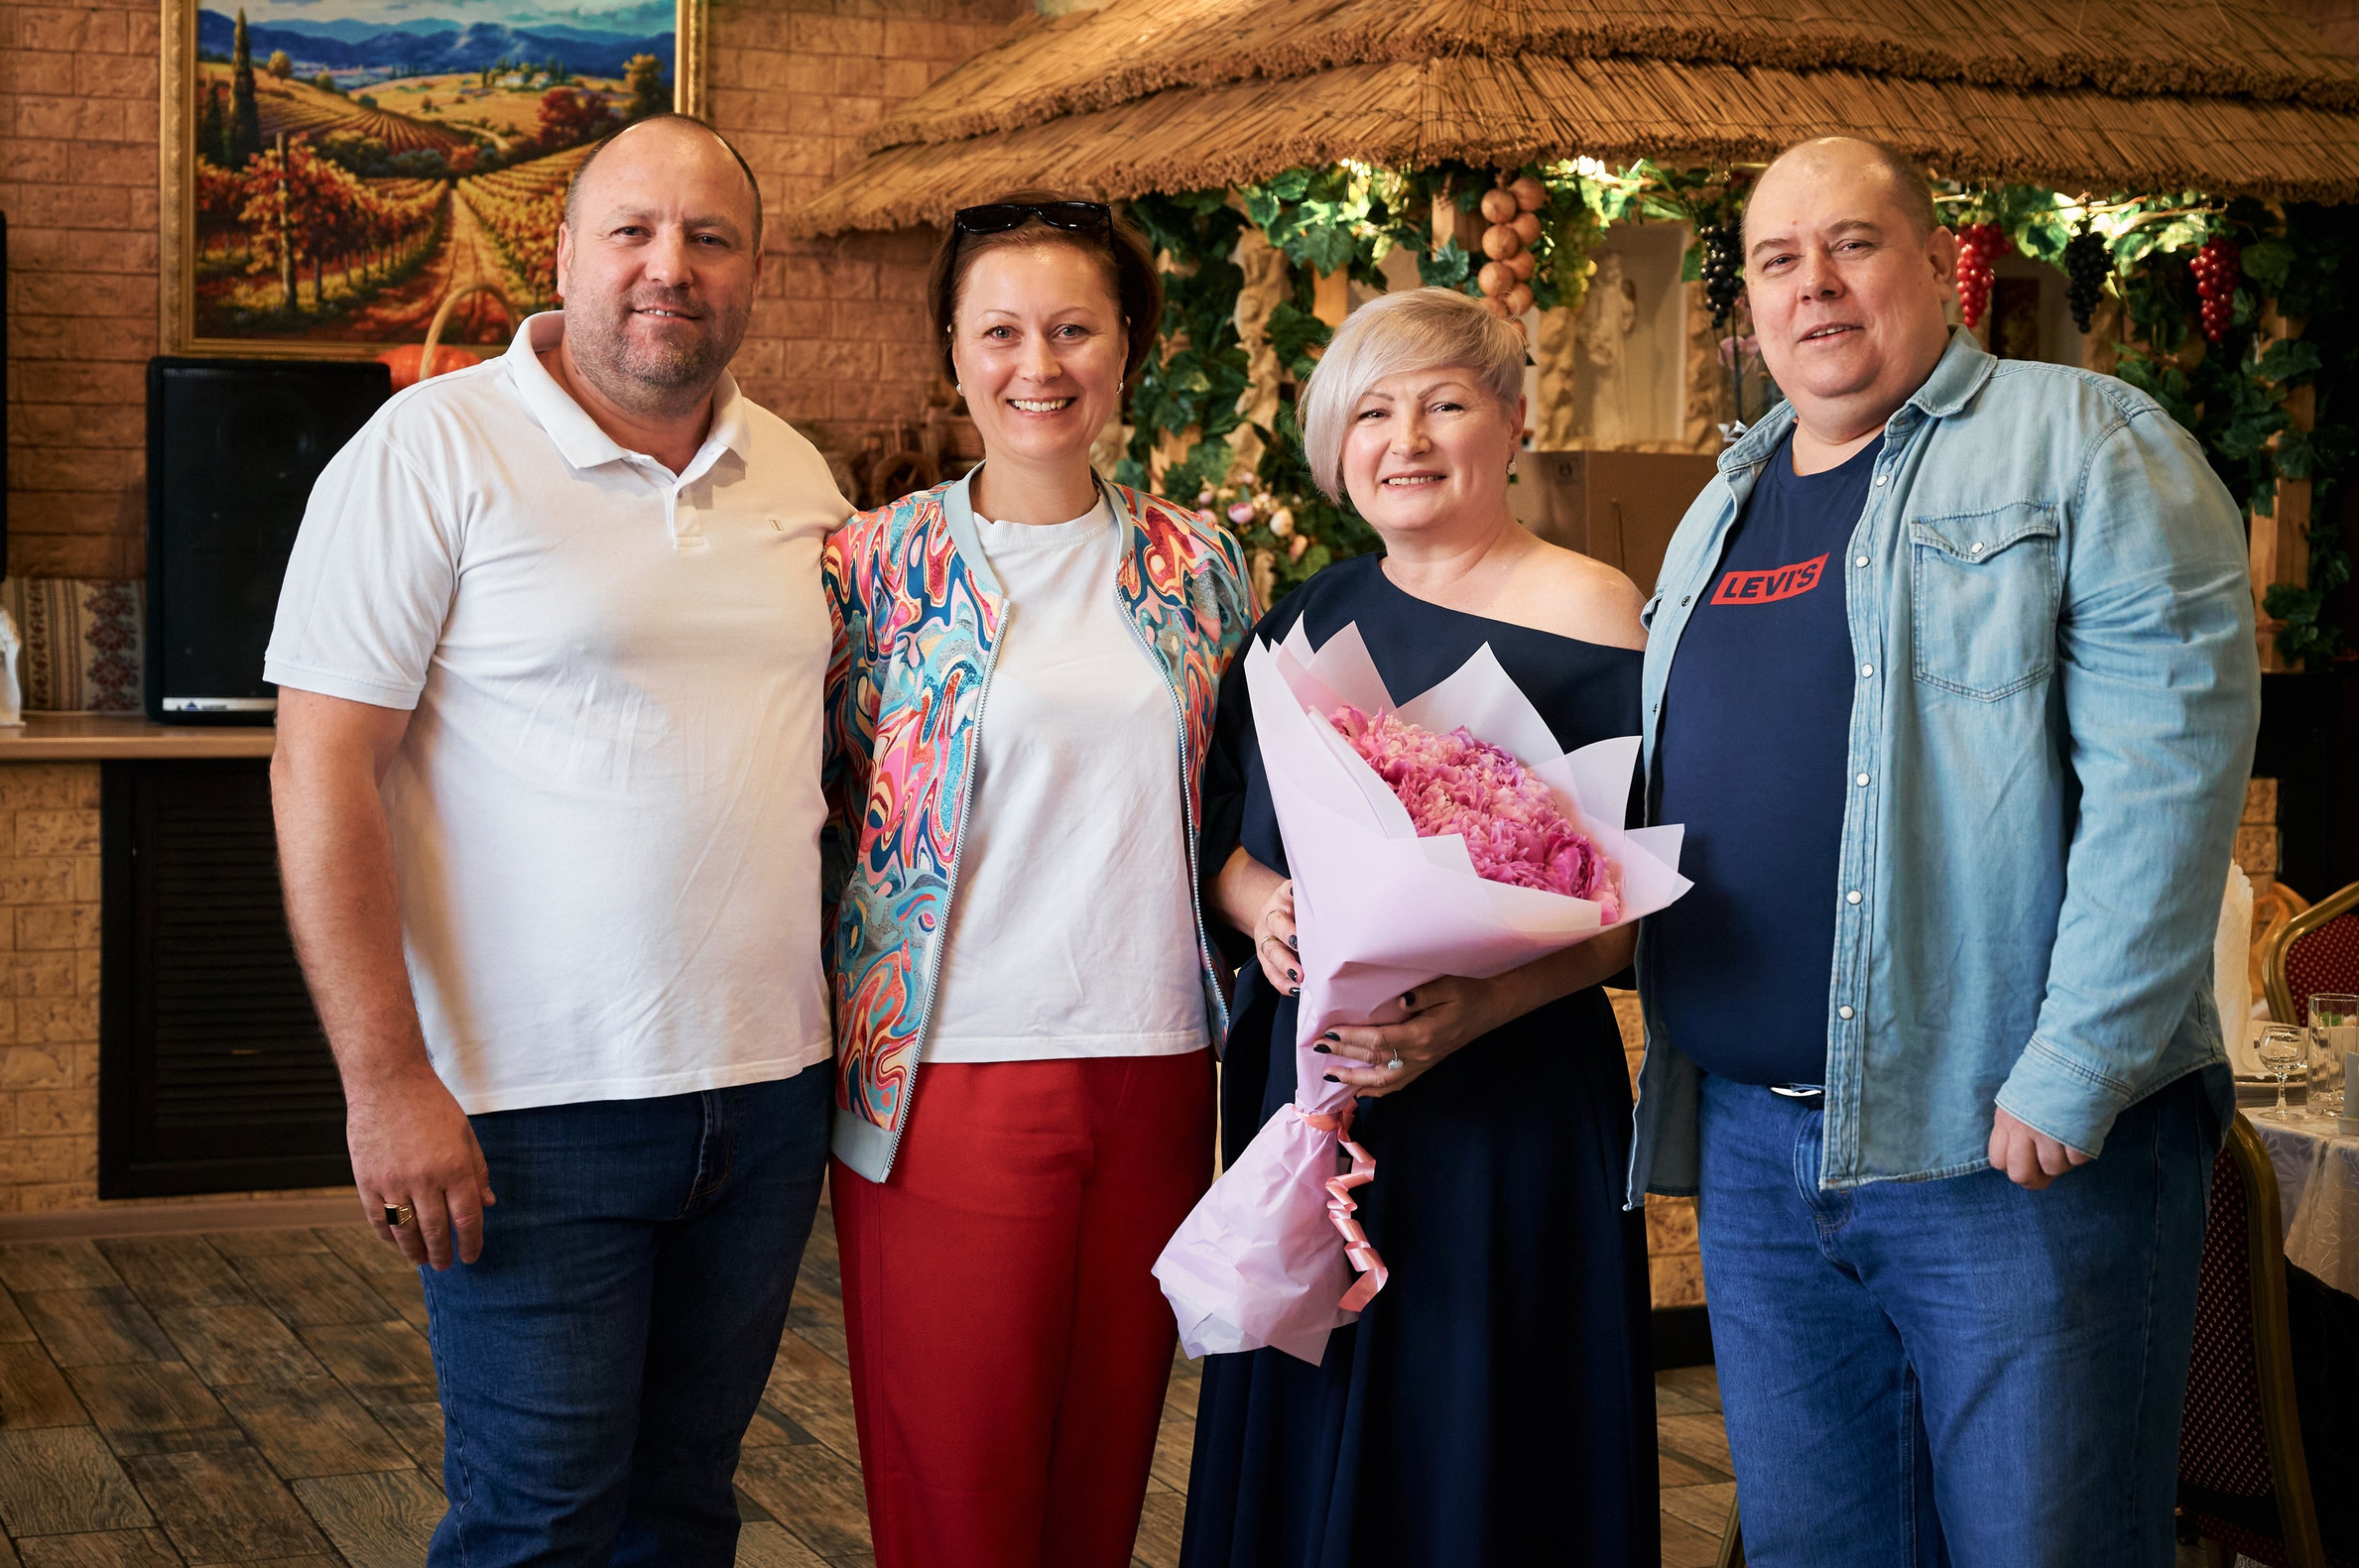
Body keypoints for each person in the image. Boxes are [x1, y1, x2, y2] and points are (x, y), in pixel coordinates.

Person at [1638, 136, 2258, 1566]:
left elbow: (2170, 776)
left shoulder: (2086, 440)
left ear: (1938, 260)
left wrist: (2078, 1068)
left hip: (2008, 1145)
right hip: (1756, 1141)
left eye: (1852, 244)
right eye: (1779, 260)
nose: (1816, 287)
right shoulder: (1719, 504)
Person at [268, 113, 850, 1568]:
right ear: (567, 252)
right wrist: (387, 1078)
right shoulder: (429, 450)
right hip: (531, 1107)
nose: (673, 269)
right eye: (636, 234)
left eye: (711, 239)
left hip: (768, 1096)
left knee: (685, 1512)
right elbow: (321, 769)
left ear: (755, 269)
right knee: (539, 1526)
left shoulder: (800, 478)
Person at [1180, 285, 1660, 1568]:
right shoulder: (1296, 619)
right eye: (1375, 410)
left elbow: (1622, 909)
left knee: (1485, 1434)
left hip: (1509, 1102)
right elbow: (1221, 838)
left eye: (1446, 403)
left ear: (1511, 421)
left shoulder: (1598, 610)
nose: (1410, 438)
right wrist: (1260, 904)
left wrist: (1477, 1007)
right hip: (1323, 1098)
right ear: (1339, 442)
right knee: (1314, 1408)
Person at [820, 194, 1253, 1568]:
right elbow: (814, 797)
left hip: (1159, 1064)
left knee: (1105, 1464)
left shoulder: (1205, 568)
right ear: (953, 352)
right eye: (1001, 331)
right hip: (952, 1071)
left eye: (1075, 329)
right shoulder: (870, 569)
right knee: (962, 1480)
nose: (1038, 365)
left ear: (1128, 348)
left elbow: (1239, 802)